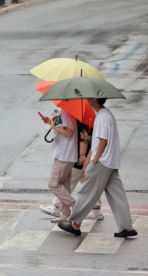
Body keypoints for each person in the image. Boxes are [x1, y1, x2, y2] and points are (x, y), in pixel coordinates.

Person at [58, 98, 137, 238]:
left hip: (102, 162)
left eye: (89, 97)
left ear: (95, 99)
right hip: (110, 162)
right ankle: (127, 227)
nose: (87, 99)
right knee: (117, 195)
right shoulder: (107, 114)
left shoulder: (101, 117)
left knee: (86, 192)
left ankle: (75, 224)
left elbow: (103, 141)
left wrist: (94, 160)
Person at [40, 122, 104, 221]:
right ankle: (94, 208)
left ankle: (60, 206)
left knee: (61, 183)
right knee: (81, 182)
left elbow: (82, 137)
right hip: (78, 155)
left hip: (75, 156)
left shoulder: (79, 120)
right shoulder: (86, 119)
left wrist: (82, 155)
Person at [38, 109, 78, 222]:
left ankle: (74, 204)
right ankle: (65, 214)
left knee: (53, 183)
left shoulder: (67, 113)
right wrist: (50, 122)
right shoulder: (64, 112)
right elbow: (63, 129)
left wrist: (54, 127)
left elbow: (70, 133)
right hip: (64, 154)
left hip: (64, 155)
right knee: (64, 185)